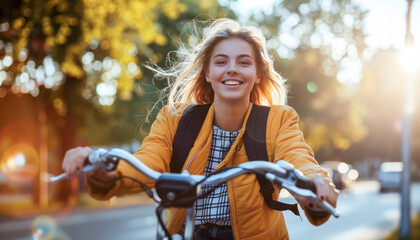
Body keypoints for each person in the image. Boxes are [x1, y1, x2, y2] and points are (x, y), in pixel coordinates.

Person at [62, 18, 339, 239]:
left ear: (257, 75)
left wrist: (313, 183)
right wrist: (104, 167)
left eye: (244, 62)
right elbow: (146, 162)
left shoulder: (278, 121)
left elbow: (297, 157)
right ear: (207, 73)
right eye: (221, 62)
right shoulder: (174, 119)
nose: (232, 69)